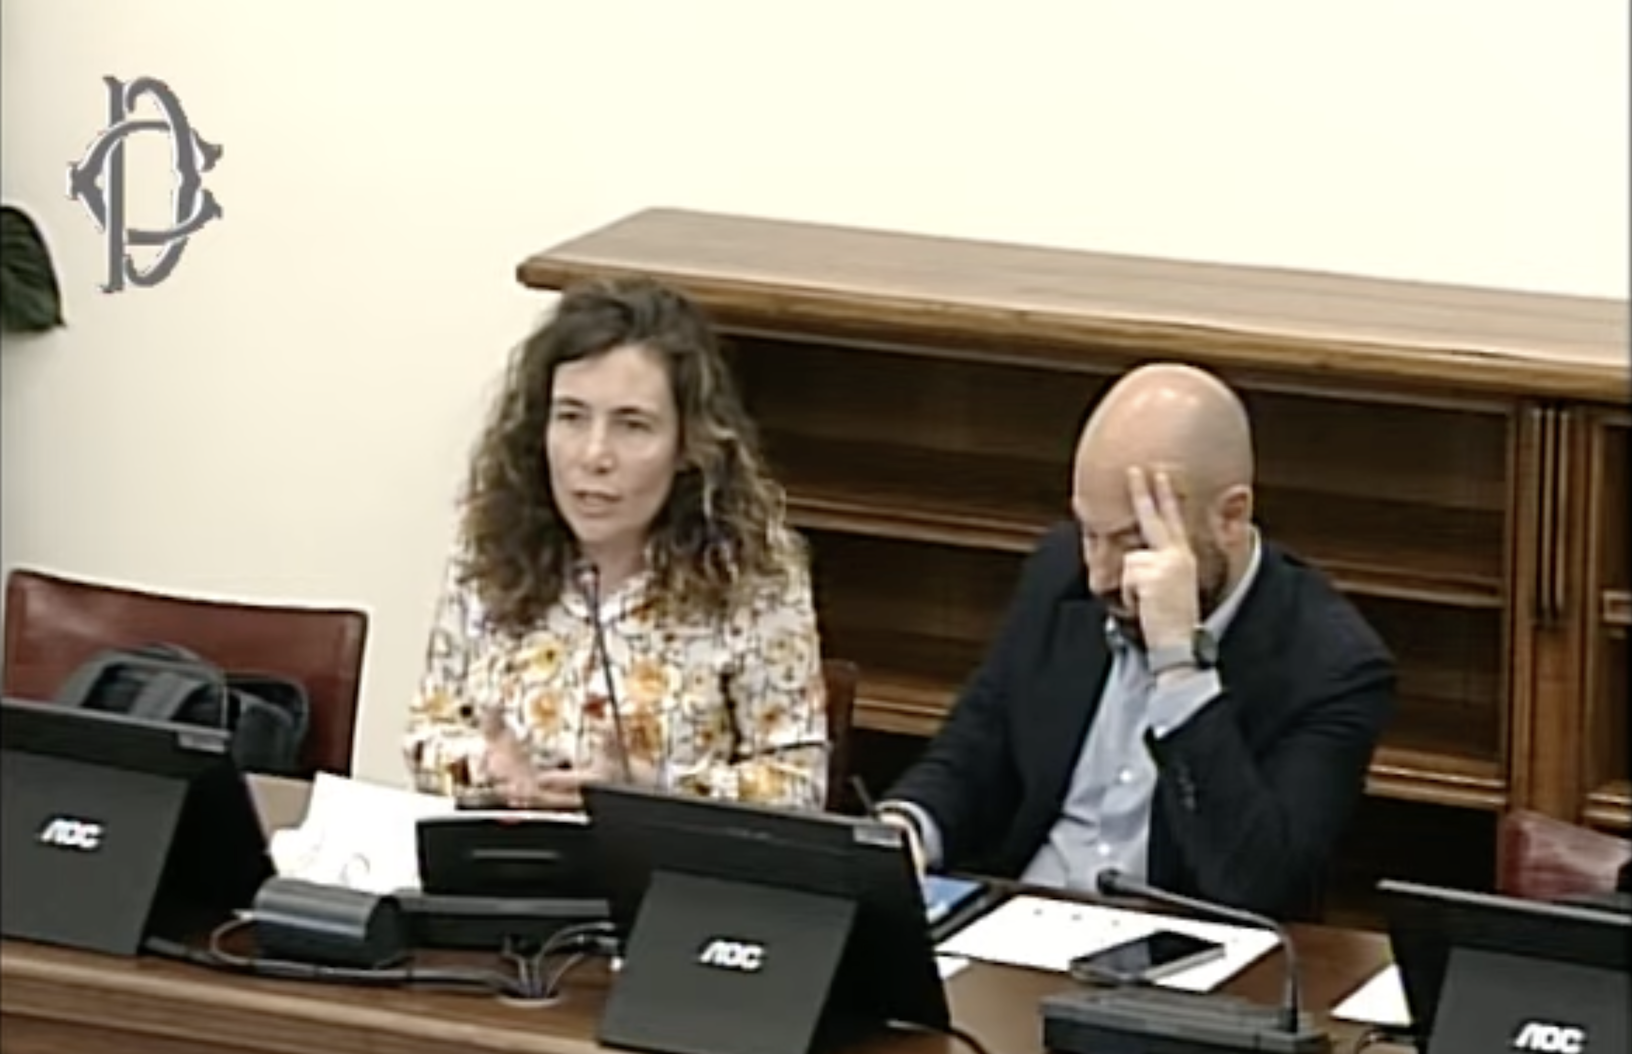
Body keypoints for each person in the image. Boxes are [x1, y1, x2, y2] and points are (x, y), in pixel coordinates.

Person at [876, 362, 1395, 920]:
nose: (1099, 576)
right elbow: (976, 748)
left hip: (1172, 954)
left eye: (1131, 543)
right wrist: (908, 829)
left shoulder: (1334, 666)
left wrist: (1180, 667)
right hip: (1013, 924)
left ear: (1231, 518)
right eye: (1089, 533)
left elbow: (1259, 888)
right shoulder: (1060, 572)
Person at [403, 276, 828, 812]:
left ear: (687, 444)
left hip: (656, 859)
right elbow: (427, 732)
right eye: (571, 418)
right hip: (506, 847)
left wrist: (656, 794)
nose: (594, 455)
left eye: (632, 425)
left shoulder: (754, 576)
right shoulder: (489, 551)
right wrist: (486, 767)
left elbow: (798, 784)